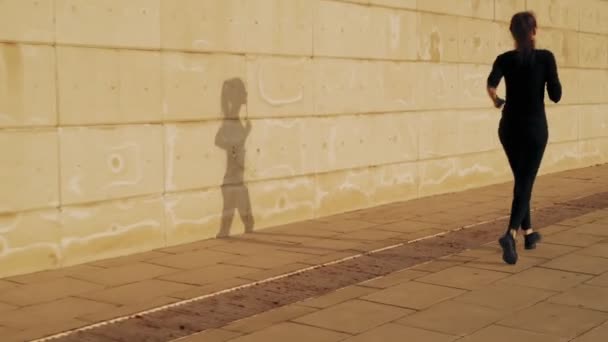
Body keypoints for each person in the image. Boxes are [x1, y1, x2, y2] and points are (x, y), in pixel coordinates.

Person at [486, 11, 562, 265]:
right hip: (534, 129)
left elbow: (491, 85)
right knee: (526, 182)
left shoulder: (504, 59)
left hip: (508, 128)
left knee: (522, 179)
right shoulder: (545, 58)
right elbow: (555, 95)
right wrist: (552, 81)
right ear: (534, 31)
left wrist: (498, 101)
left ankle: (528, 234)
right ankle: (510, 234)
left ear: (512, 34)